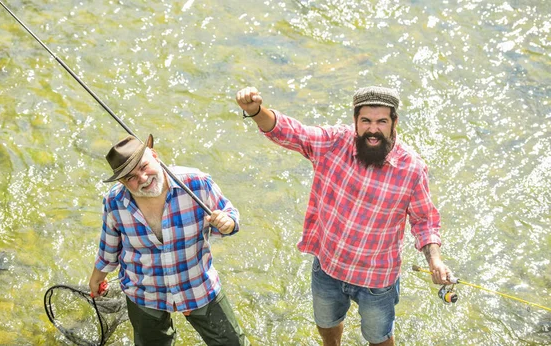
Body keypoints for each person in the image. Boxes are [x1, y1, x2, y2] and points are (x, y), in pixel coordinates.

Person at [235, 86, 452, 346]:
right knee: (326, 324)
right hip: (329, 266)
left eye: (382, 121)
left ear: (394, 122)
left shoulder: (412, 169)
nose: (373, 130)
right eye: (366, 121)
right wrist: (256, 111)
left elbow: (424, 220)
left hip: (377, 279)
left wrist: (435, 261)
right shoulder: (333, 143)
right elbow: (292, 133)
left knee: (379, 338)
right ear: (355, 121)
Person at [88, 134, 250, 346]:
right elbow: (109, 247)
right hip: (144, 291)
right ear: (121, 181)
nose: (143, 179)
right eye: (131, 178)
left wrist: (227, 222)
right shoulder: (114, 201)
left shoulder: (196, 184)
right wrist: (97, 278)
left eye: (144, 166)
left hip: (196, 284)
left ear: (155, 155)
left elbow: (230, 215)